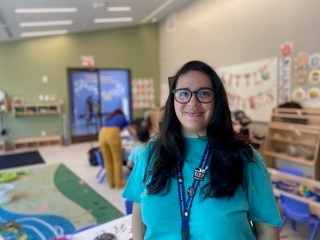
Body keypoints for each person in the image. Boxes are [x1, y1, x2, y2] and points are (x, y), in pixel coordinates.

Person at [123, 60, 281, 239]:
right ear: (173, 100)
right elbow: (138, 206)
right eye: (183, 94)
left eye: (204, 93)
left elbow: (267, 228)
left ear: (218, 100)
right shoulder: (154, 150)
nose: (193, 102)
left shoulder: (245, 157)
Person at [99, 109, 136, 189]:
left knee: (108, 161)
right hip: (113, 135)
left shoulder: (109, 117)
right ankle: (118, 184)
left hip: (102, 134)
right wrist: (137, 137)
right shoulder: (122, 117)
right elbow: (132, 132)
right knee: (117, 160)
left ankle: (111, 183)